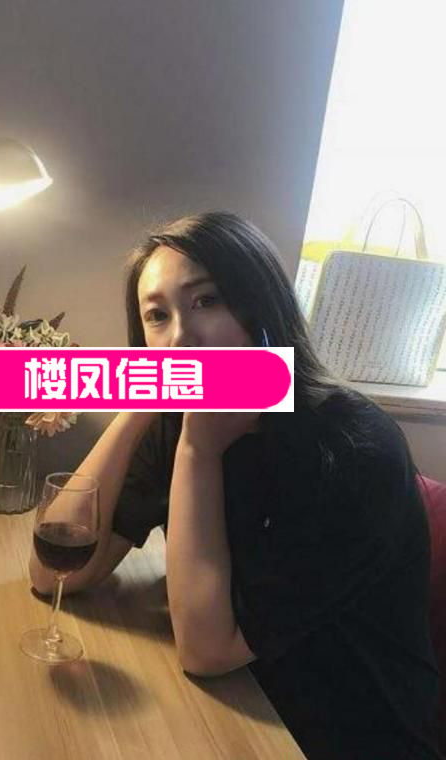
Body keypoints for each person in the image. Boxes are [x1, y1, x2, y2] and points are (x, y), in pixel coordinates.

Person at [29, 211, 441, 760]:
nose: (181, 339)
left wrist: (198, 452)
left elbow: (206, 651)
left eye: (207, 301)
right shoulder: (179, 418)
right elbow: (58, 572)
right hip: (243, 703)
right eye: (157, 316)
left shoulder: (353, 448)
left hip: (348, 730)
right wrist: (138, 400)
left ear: (263, 309)